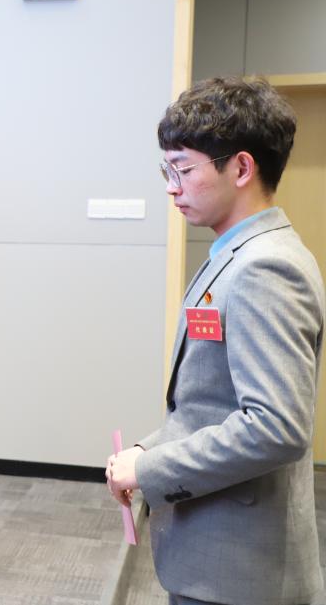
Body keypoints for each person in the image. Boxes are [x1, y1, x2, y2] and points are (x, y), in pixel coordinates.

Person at [107, 77, 324, 605]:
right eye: (167, 170)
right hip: (218, 554)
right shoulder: (233, 254)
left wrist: (151, 470)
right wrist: (150, 447)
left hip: (241, 571)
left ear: (242, 168)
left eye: (183, 169)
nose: (171, 187)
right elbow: (211, 403)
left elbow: (275, 427)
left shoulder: (265, 268)